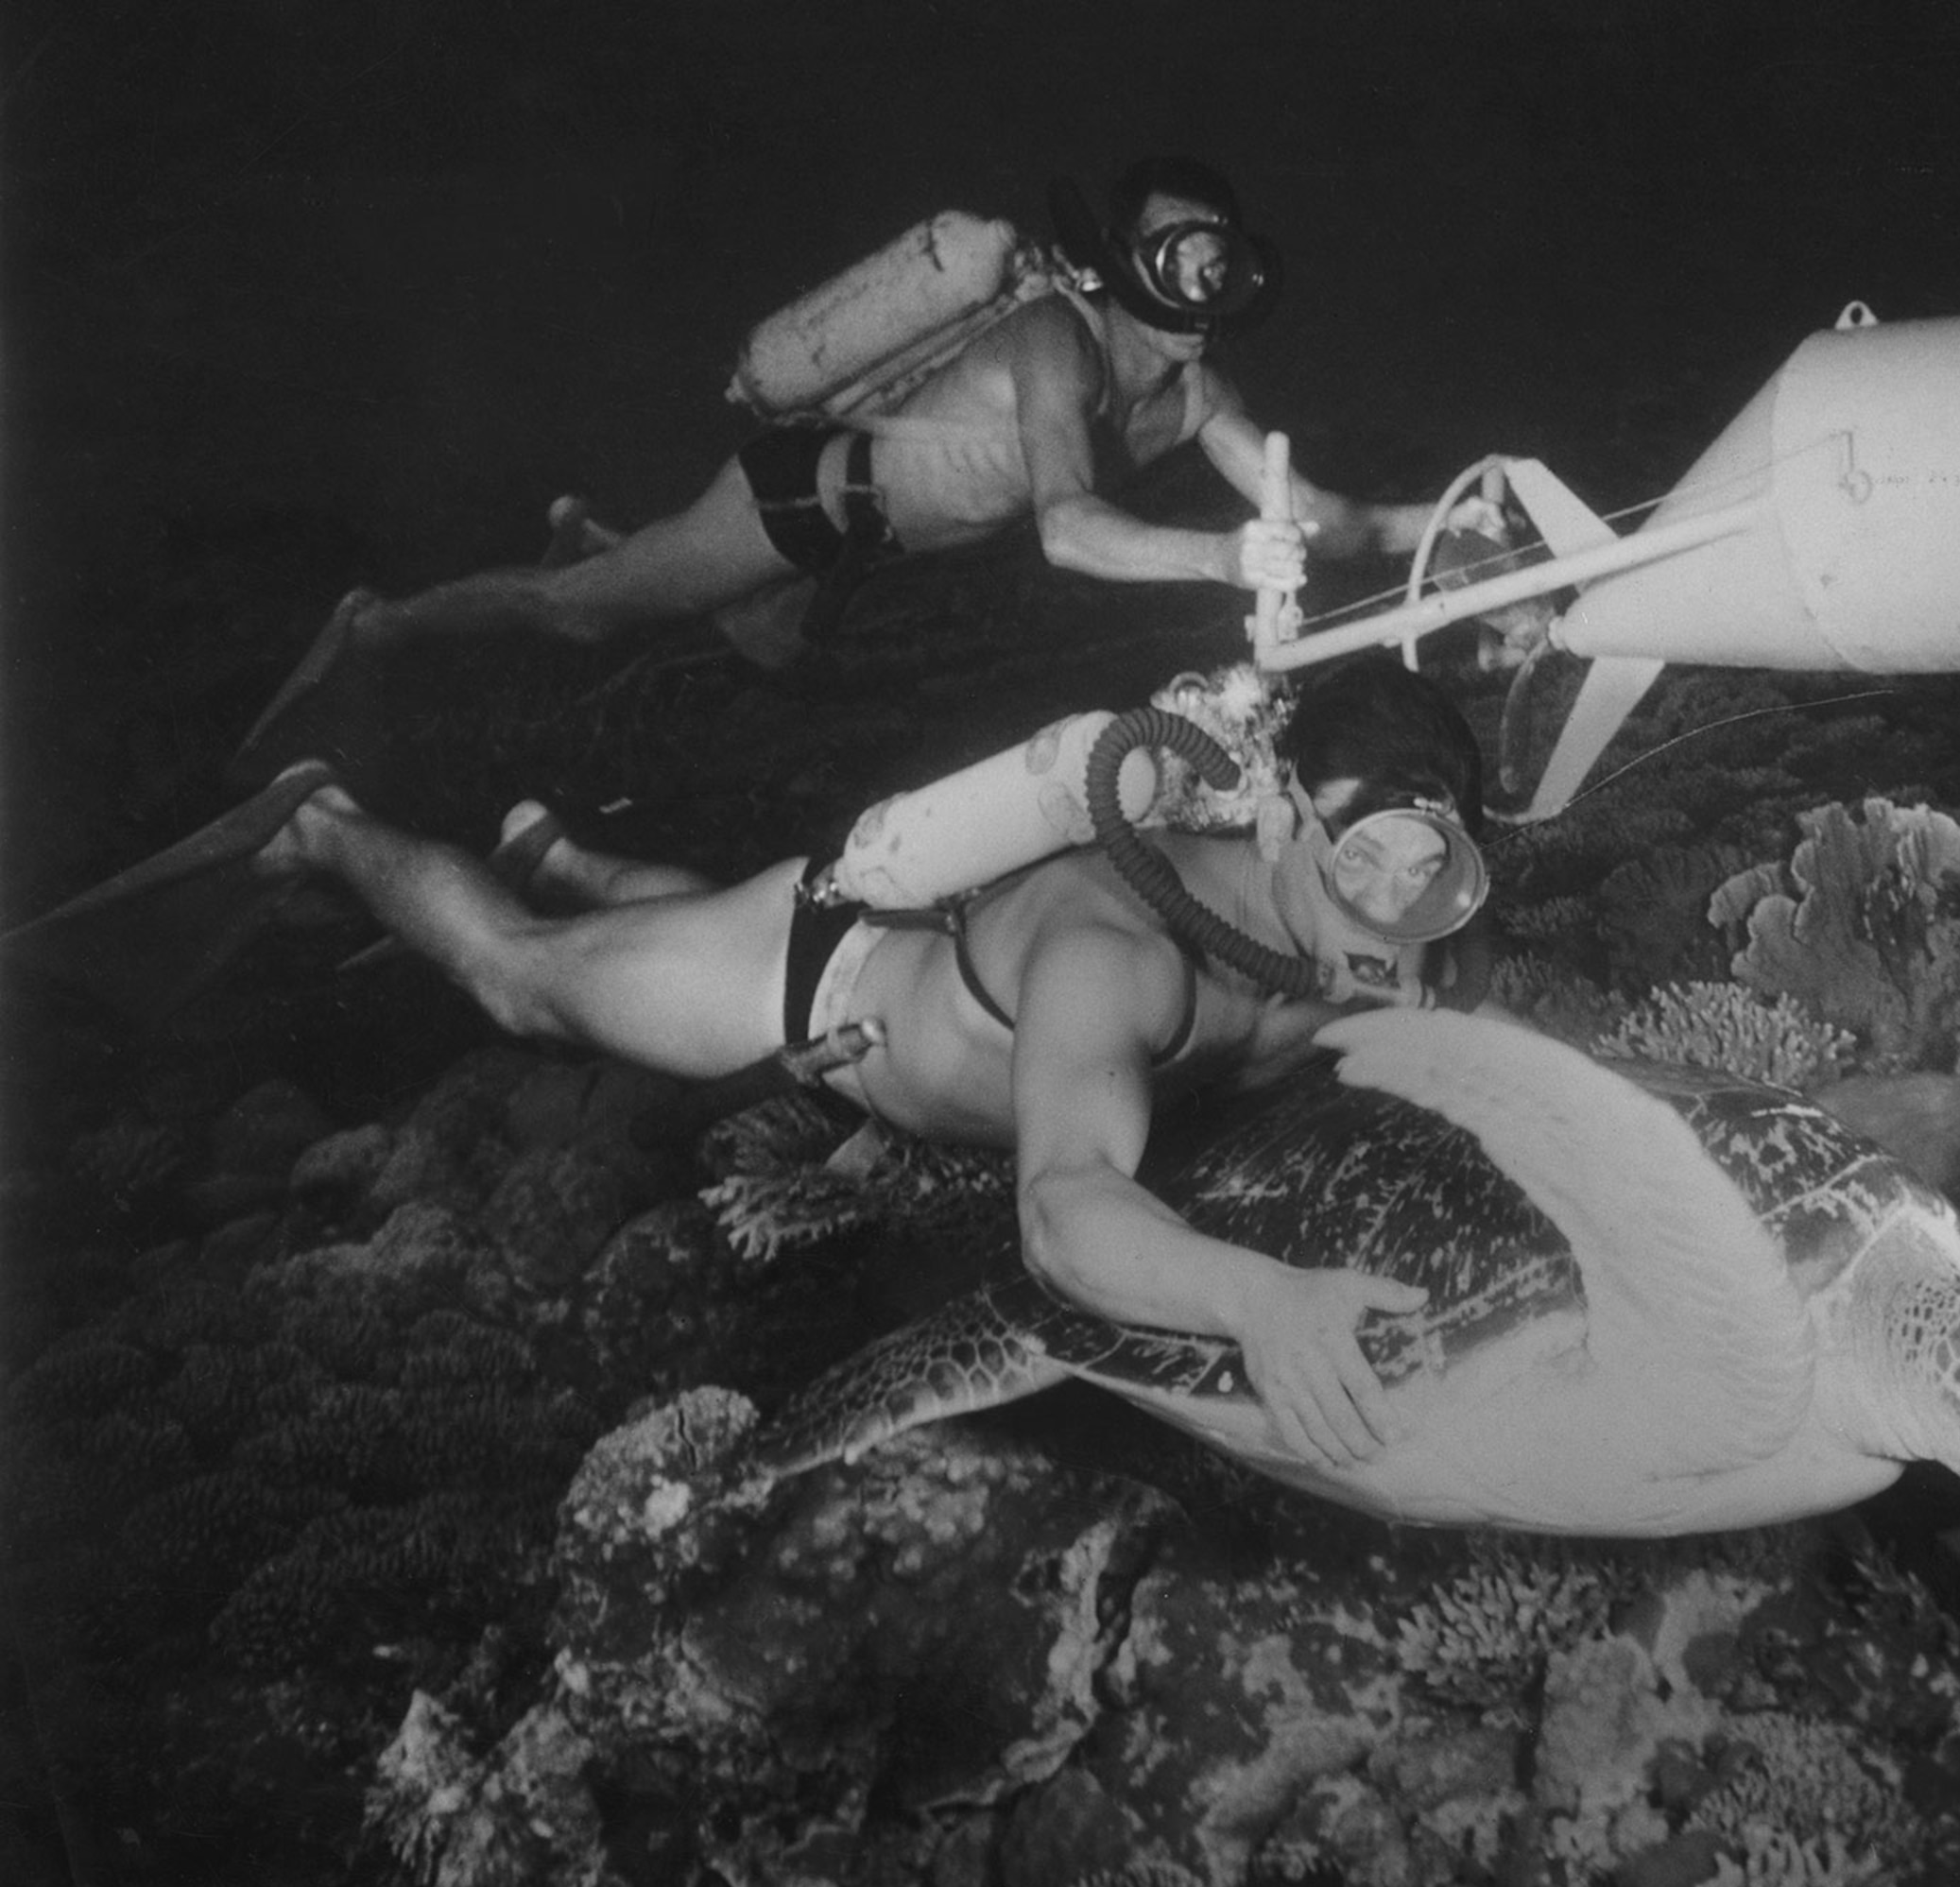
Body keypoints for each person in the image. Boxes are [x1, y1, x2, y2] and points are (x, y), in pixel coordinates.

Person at [197, 656, 1487, 1467]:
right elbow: (1064, 1213)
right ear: (1276, 818)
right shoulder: (1126, 951)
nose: (1388, 906)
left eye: (1427, 871)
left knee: (643, 910)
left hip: (896, 967)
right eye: (1361, 857)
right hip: (811, 981)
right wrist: (1260, 1300)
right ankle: (325, 824)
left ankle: (568, 854)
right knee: (521, 980)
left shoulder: (1383, 941)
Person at [232, 157, 1487, 772]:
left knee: (759, 656)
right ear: (1119, 265)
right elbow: (1066, 526)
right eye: (1175, 253)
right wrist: (1223, 554)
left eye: (1220, 258)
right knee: (577, 623)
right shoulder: (1060, 339)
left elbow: (1316, 513)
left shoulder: (1205, 390)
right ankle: (379, 623)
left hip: (858, 564)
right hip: (799, 510)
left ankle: (614, 541)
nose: (1201, 279)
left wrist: (1470, 516)